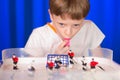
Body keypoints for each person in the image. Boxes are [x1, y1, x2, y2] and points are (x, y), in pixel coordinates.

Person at [25, 0, 105, 57]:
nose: (68, 32)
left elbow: (101, 64)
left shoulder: (89, 29)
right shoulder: (39, 36)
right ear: (51, 15)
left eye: (76, 25)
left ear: (84, 18)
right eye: (62, 24)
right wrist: (54, 58)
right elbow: (31, 70)